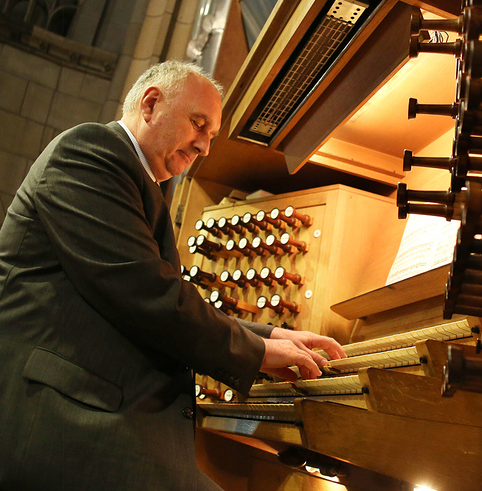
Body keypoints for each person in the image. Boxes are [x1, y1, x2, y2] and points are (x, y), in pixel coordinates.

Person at [0, 60, 346, 491]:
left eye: (211, 137)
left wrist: (271, 337)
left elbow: (157, 292)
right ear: (150, 105)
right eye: (197, 124)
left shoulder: (136, 179)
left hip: (105, 410)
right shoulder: (89, 153)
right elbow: (148, 295)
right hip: (67, 420)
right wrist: (258, 353)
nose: (204, 146)